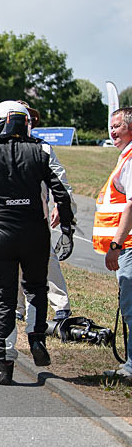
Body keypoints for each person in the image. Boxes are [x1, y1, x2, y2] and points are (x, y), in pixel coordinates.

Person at [0, 100, 75, 385]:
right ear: (26, 123)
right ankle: (36, 338)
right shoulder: (43, 150)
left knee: (3, 298)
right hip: (36, 233)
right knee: (35, 288)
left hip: (0, 236)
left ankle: (4, 362)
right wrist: (68, 231)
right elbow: (63, 191)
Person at [0, 101, 76, 326]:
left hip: (35, 209)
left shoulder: (40, 147)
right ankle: (16, 308)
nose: (30, 122)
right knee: (11, 259)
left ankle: (60, 306)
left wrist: (59, 208)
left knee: (46, 257)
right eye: (27, 117)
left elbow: (60, 182)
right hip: (5, 211)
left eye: (32, 119)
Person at [95, 107, 132, 379]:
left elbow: (131, 206)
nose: (113, 131)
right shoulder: (125, 157)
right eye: (112, 126)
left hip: (128, 246)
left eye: (118, 126)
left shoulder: (131, 159)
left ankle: (131, 368)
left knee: (131, 308)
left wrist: (116, 246)